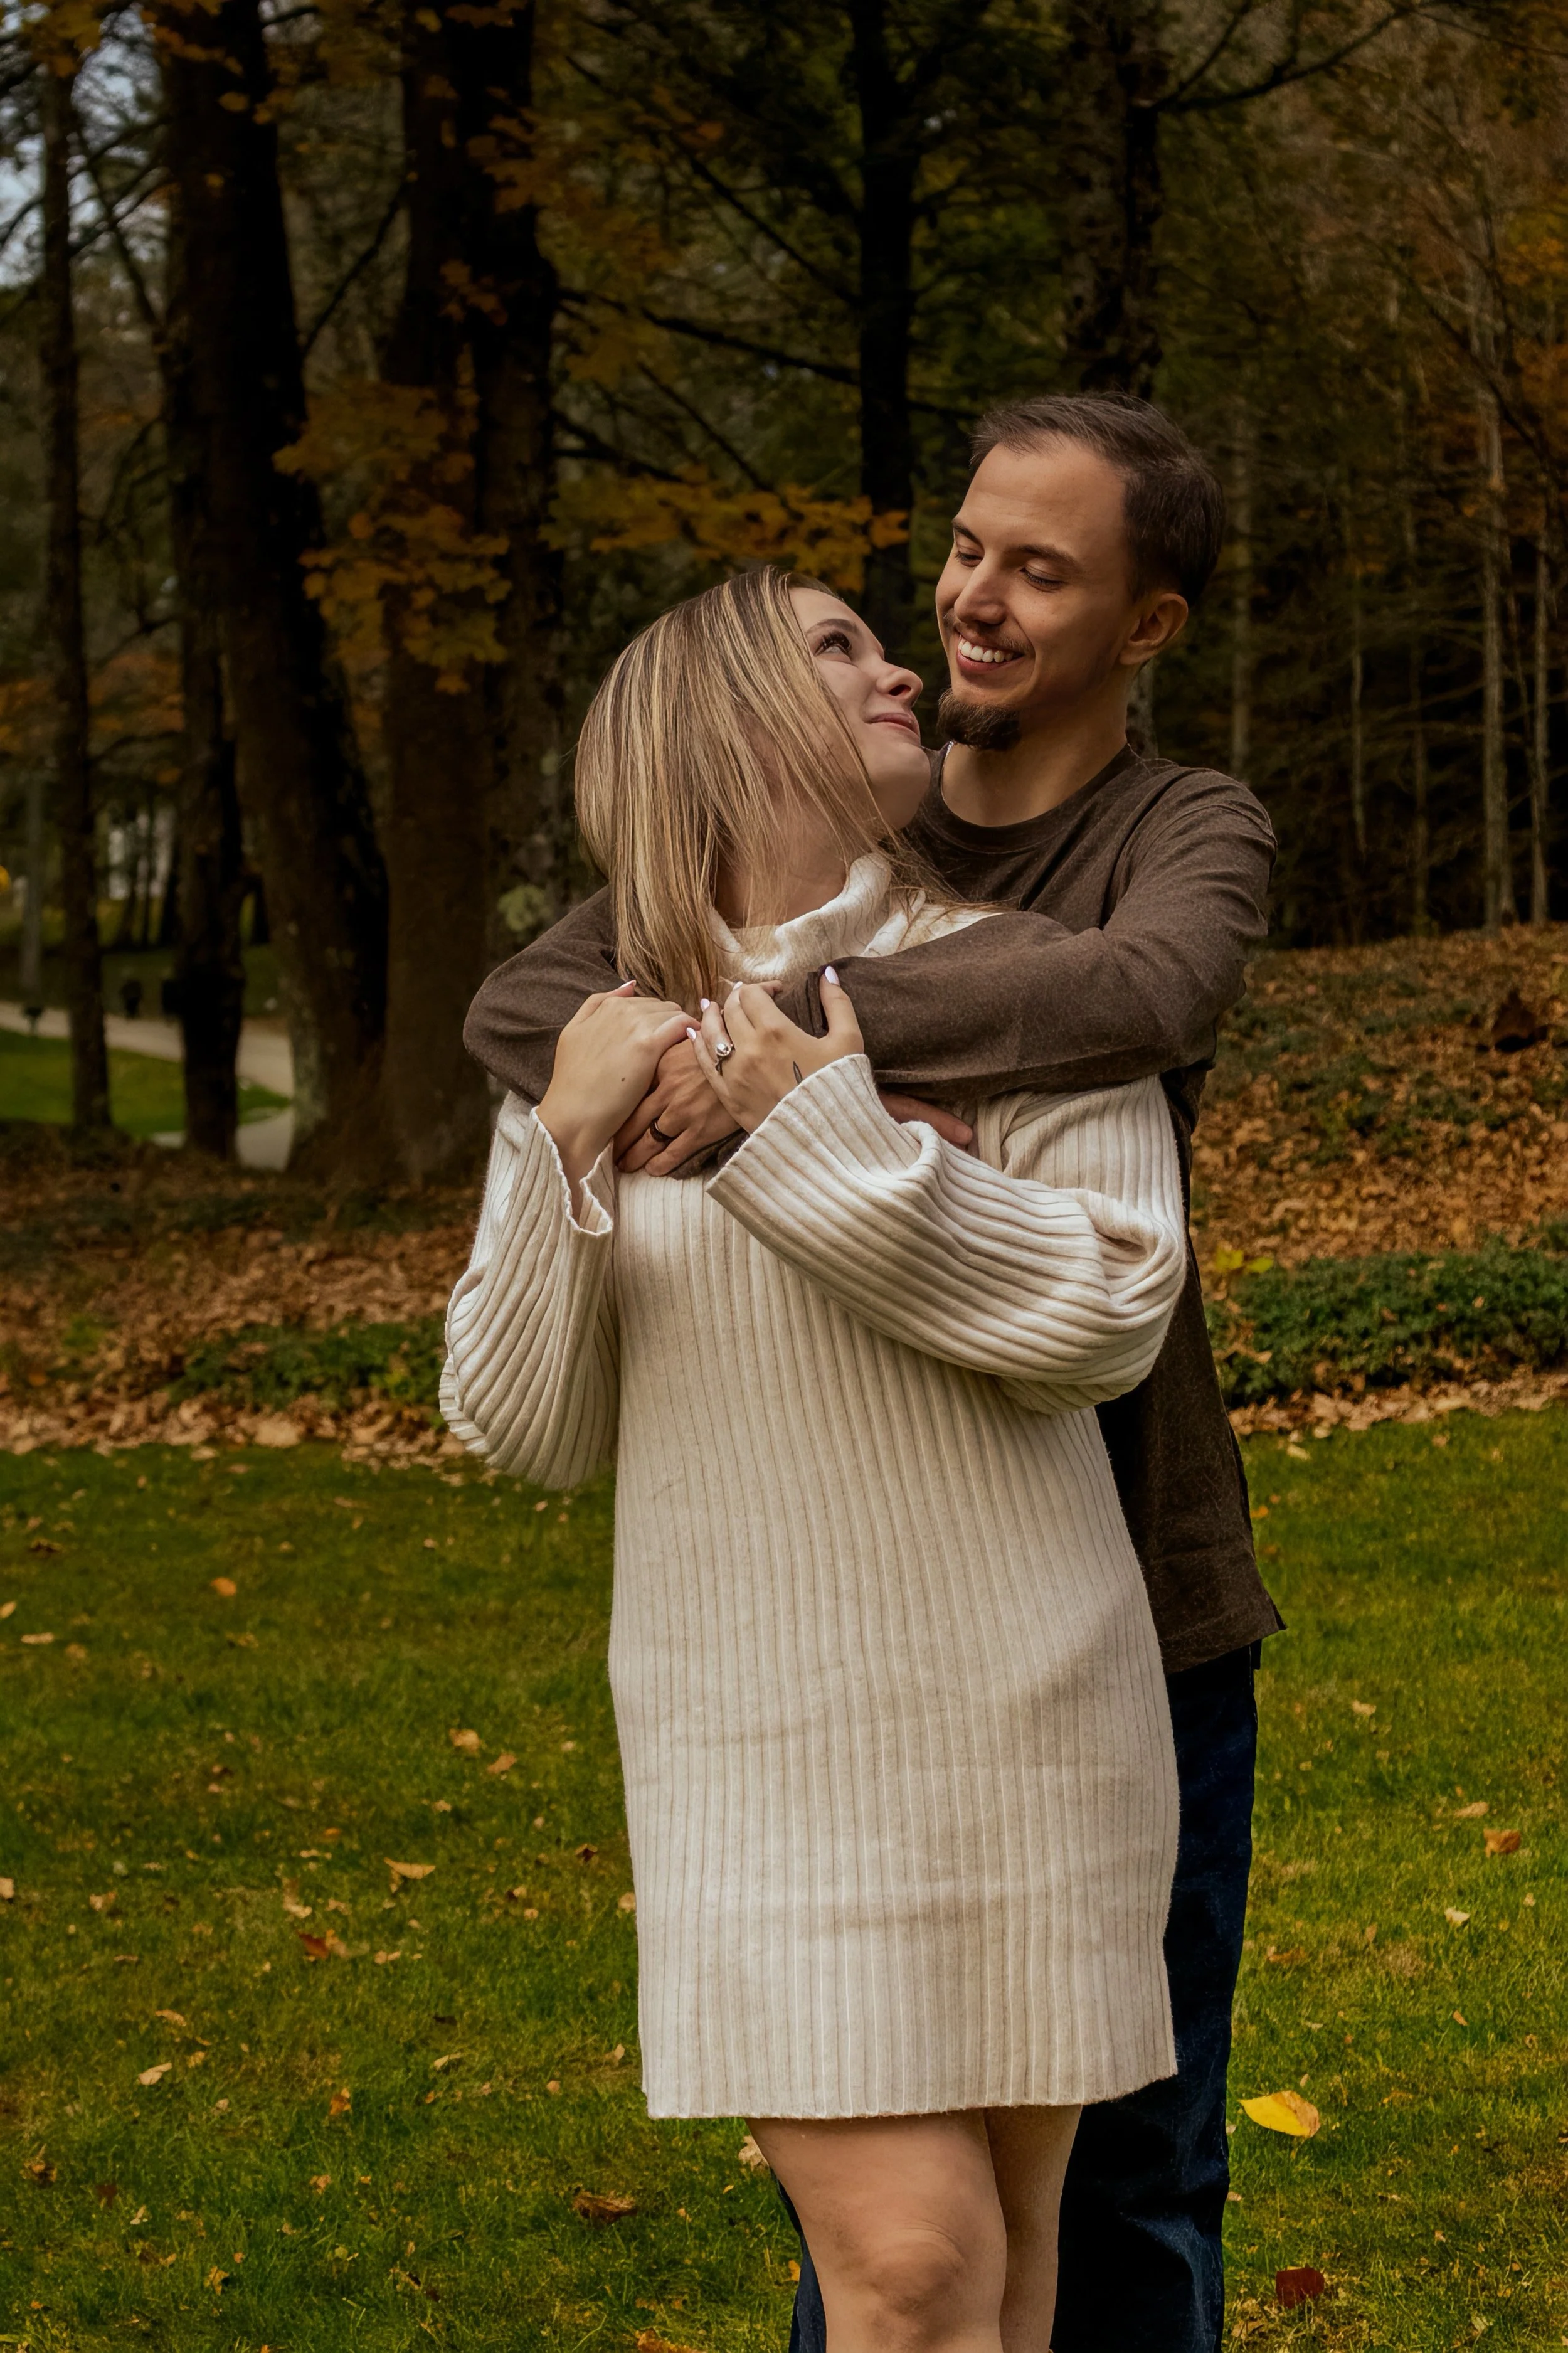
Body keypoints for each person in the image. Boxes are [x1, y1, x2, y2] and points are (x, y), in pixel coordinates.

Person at [465, 393, 1281, 2353]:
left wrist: (802, 1090)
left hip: (1093, 1622)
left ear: (1142, 623)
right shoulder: (626, 999)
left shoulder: (1122, 882)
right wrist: (613, 1104)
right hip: (765, 1705)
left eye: (1038, 570)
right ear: (734, 715)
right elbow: (516, 1370)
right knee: (908, 2262)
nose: (955, 612)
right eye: (958, 555)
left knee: (1086, 2222)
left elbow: (1139, 1052)